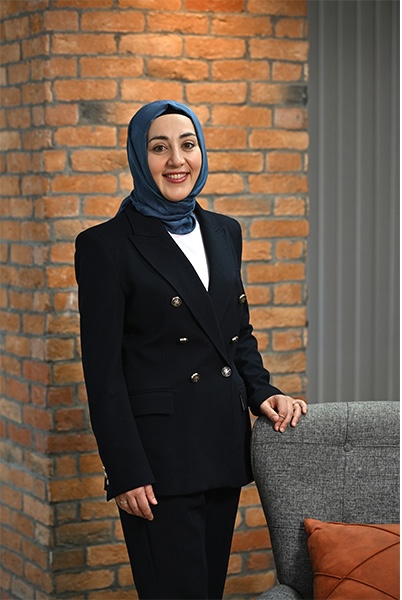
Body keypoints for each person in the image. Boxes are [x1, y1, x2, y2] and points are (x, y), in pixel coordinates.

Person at [75, 100, 308, 600]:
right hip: (158, 463)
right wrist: (125, 469)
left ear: (202, 150)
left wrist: (262, 392)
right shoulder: (105, 246)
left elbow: (234, 333)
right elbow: (102, 371)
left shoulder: (224, 230)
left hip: (221, 444)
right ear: (139, 157)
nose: (177, 160)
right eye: (159, 147)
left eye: (188, 144)